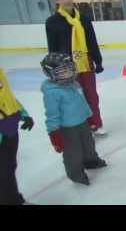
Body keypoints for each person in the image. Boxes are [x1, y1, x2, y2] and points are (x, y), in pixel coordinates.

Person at [45, 0, 106, 136]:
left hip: (85, 62)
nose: (67, 0)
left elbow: (92, 41)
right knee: (74, 98)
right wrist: (54, 69)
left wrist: (98, 61)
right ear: (57, 0)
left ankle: (95, 124)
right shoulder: (52, 22)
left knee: (91, 95)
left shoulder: (83, 19)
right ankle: (82, 127)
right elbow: (52, 47)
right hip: (66, 67)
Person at [41, 53, 107, 186]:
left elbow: (82, 102)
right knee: (73, 152)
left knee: (89, 144)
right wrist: (54, 134)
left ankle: (91, 160)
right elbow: (52, 115)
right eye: (63, 71)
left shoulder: (73, 84)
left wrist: (90, 119)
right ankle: (76, 173)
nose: (69, 73)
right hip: (68, 129)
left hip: (82, 122)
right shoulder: (52, 93)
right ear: (51, 74)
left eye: (70, 69)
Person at [0, 68, 35, 205]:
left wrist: (24, 115)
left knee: (10, 167)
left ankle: (13, 198)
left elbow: (8, 98)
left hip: (10, 129)